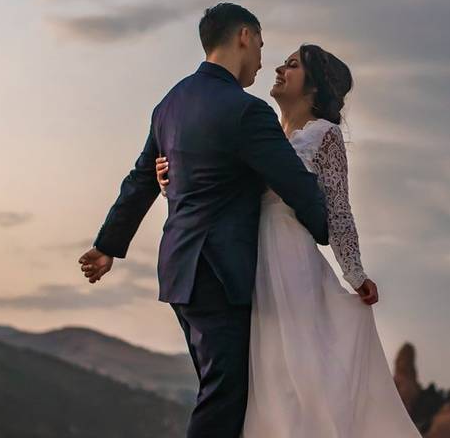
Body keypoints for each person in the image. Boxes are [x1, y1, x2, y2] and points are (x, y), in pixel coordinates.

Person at [78, 2, 330, 438]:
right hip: (220, 273)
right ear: (244, 37)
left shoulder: (170, 104)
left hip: (180, 270)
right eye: (262, 46)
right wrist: (327, 230)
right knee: (225, 395)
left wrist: (107, 246)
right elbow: (294, 182)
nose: (261, 60)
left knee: (225, 390)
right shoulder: (246, 111)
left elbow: (140, 178)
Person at [155, 44, 421, 437]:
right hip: (245, 258)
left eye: (292, 65)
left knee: (295, 373)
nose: (279, 68)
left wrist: (355, 272)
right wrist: (171, 181)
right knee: (259, 378)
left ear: (314, 87)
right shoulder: (259, 131)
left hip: (288, 259)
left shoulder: (324, 136)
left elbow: (338, 208)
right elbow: (216, 186)